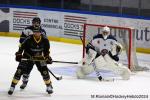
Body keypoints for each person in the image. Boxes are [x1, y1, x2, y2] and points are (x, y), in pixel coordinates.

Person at [8, 28, 53, 95]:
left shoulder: (45, 40)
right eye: (34, 32)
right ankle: (13, 86)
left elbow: (46, 51)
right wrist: (19, 54)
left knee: (44, 71)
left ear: (40, 32)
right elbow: (21, 47)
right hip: (27, 56)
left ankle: (49, 86)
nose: (36, 33)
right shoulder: (28, 39)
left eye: (38, 32)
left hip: (39, 57)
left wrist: (47, 57)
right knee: (20, 70)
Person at [19, 17, 47, 90]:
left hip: (38, 55)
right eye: (34, 22)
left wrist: (45, 55)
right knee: (26, 70)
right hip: (28, 54)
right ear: (32, 23)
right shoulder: (27, 29)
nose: (36, 24)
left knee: (44, 70)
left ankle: (49, 85)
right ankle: (24, 82)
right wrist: (29, 39)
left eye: (37, 22)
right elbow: (21, 40)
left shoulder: (42, 31)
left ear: (40, 23)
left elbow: (45, 43)